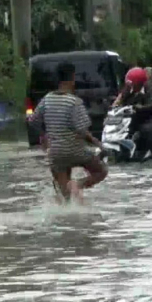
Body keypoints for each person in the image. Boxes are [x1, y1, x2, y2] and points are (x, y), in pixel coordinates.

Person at [29, 62, 108, 203]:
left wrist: (44, 136)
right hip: (76, 151)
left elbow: (33, 121)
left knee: (64, 197)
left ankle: (67, 212)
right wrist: (99, 145)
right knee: (101, 171)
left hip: (56, 153)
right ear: (72, 79)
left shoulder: (46, 99)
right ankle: (78, 184)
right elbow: (83, 131)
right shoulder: (74, 102)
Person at [111, 67, 152, 158]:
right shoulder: (128, 87)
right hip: (128, 119)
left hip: (146, 118)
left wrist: (141, 107)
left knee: (147, 130)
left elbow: (151, 104)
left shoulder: (150, 87)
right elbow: (120, 98)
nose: (130, 86)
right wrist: (114, 106)